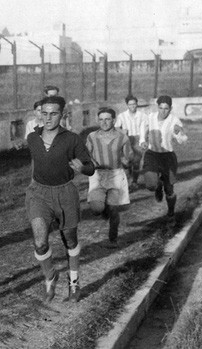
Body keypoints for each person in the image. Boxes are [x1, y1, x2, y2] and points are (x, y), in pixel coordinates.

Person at [25, 96, 95, 303]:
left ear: (62, 115)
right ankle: (50, 276)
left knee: (70, 240)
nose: (48, 118)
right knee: (40, 242)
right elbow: (36, 163)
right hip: (39, 194)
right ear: (39, 114)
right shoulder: (32, 138)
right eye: (44, 113)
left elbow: (90, 167)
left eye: (53, 113)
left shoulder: (72, 139)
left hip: (65, 193)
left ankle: (74, 282)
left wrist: (82, 168)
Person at [86, 108, 133, 248]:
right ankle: (102, 207)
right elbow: (85, 154)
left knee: (113, 209)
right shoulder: (92, 136)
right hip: (98, 175)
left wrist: (127, 160)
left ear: (114, 120)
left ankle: (113, 238)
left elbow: (128, 156)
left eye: (107, 119)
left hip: (115, 174)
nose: (104, 122)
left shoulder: (122, 137)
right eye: (101, 119)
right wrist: (91, 162)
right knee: (96, 209)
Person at [140, 95, 188, 218]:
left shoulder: (175, 121)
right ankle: (157, 186)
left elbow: (182, 139)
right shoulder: (150, 118)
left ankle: (171, 210)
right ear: (158, 107)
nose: (163, 111)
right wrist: (142, 141)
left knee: (169, 189)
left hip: (167, 157)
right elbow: (143, 129)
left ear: (170, 108)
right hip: (152, 154)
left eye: (166, 108)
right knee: (151, 184)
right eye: (161, 108)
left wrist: (179, 134)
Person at [115, 95, 148, 190]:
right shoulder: (122, 116)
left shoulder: (143, 116)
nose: (132, 106)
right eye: (130, 104)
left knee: (136, 162)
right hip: (127, 140)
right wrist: (122, 131)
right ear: (127, 105)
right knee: (128, 162)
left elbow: (146, 129)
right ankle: (129, 176)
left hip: (138, 139)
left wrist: (143, 140)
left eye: (134, 104)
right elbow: (116, 127)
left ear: (137, 104)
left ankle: (134, 182)